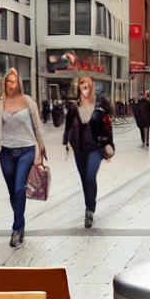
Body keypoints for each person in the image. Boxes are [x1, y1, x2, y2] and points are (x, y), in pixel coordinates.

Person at [0, 69, 46, 248]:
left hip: (26, 150)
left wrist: (40, 149)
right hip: (6, 152)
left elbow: (37, 125)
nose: (11, 84)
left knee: (19, 189)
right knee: (12, 193)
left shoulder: (28, 101)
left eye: (14, 81)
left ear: (19, 84)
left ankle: (16, 229)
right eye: (8, 81)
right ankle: (20, 222)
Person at [63, 75, 112, 228]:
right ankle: (88, 205)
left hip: (95, 148)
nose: (84, 87)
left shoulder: (99, 108)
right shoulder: (73, 107)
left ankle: (90, 209)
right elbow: (68, 125)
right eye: (81, 84)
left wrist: (108, 145)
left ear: (91, 88)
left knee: (90, 176)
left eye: (87, 84)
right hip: (79, 148)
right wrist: (66, 142)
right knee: (84, 178)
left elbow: (107, 128)